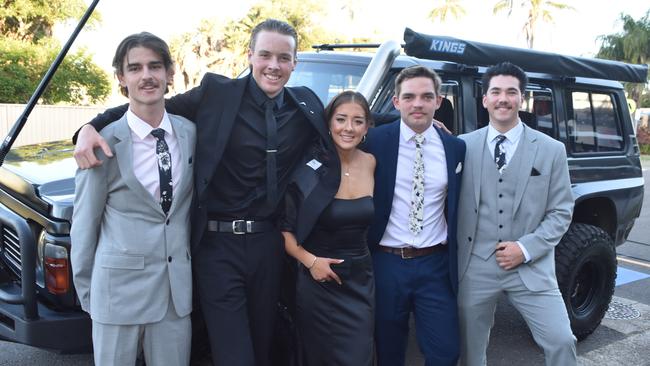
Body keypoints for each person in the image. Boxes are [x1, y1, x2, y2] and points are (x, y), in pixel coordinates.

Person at [72, 19, 335, 366]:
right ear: (250, 56)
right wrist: (89, 126)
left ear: (294, 63)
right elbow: (149, 105)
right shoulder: (217, 94)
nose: (274, 65)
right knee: (234, 354)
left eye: (283, 58)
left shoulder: (306, 105)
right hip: (217, 246)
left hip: (268, 246)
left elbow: (354, 120)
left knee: (264, 346)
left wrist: (419, 121)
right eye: (265, 55)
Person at [70, 32, 196, 366]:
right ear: (121, 78)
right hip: (116, 296)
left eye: (155, 66)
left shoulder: (190, 133)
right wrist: (90, 295)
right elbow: (84, 226)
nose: (147, 76)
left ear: (170, 73)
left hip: (175, 298)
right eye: (135, 68)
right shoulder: (102, 144)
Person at [456, 61, 576, 366]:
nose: (503, 99)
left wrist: (525, 249)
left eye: (511, 92)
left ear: (522, 98)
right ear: (484, 99)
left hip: (530, 267)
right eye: (495, 91)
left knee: (562, 340)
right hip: (475, 266)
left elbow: (562, 211)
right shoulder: (461, 147)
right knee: (470, 349)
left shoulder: (551, 150)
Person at [365, 65, 466, 366]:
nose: (417, 104)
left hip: (435, 264)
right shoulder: (374, 141)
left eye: (426, 97)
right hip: (385, 262)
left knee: (445, 352)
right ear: (396, 102)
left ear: (438, 101)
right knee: (388, 349)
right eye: (408, 97)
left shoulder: (456, 148)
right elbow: (341, 121)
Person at [280, 91, 375, 366]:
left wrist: (435, 125)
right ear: (328, 122)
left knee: (359, 356)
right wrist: (311, 263)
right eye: (341, 119)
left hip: (361, 280)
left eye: (358, 121)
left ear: (367, 126)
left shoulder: (371, 162)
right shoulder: (308, 168)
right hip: (318, 280)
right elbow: (284, 230)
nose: (348, 128)